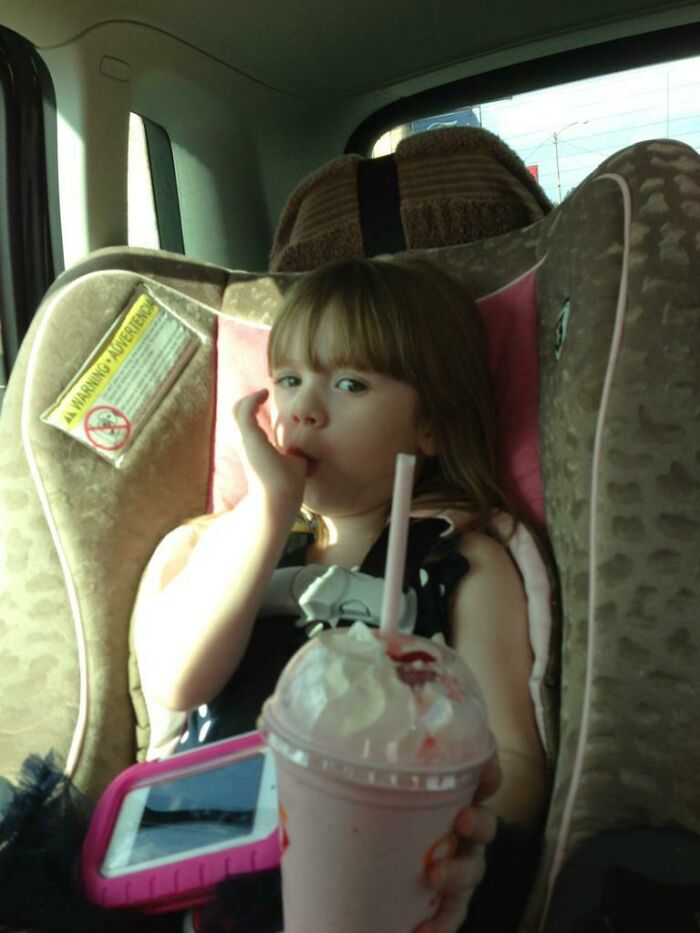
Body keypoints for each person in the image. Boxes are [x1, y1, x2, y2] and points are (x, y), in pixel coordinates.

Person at [133, 256, 548, 933]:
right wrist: (267, 512)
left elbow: (516, 756)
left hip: (366, 863)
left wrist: (462, 837)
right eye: (288, 380)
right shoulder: (238, 543)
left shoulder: (458, 561)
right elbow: (178, 682)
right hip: (195, 855)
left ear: (431, 426)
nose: (304, 407)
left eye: (350, 382)